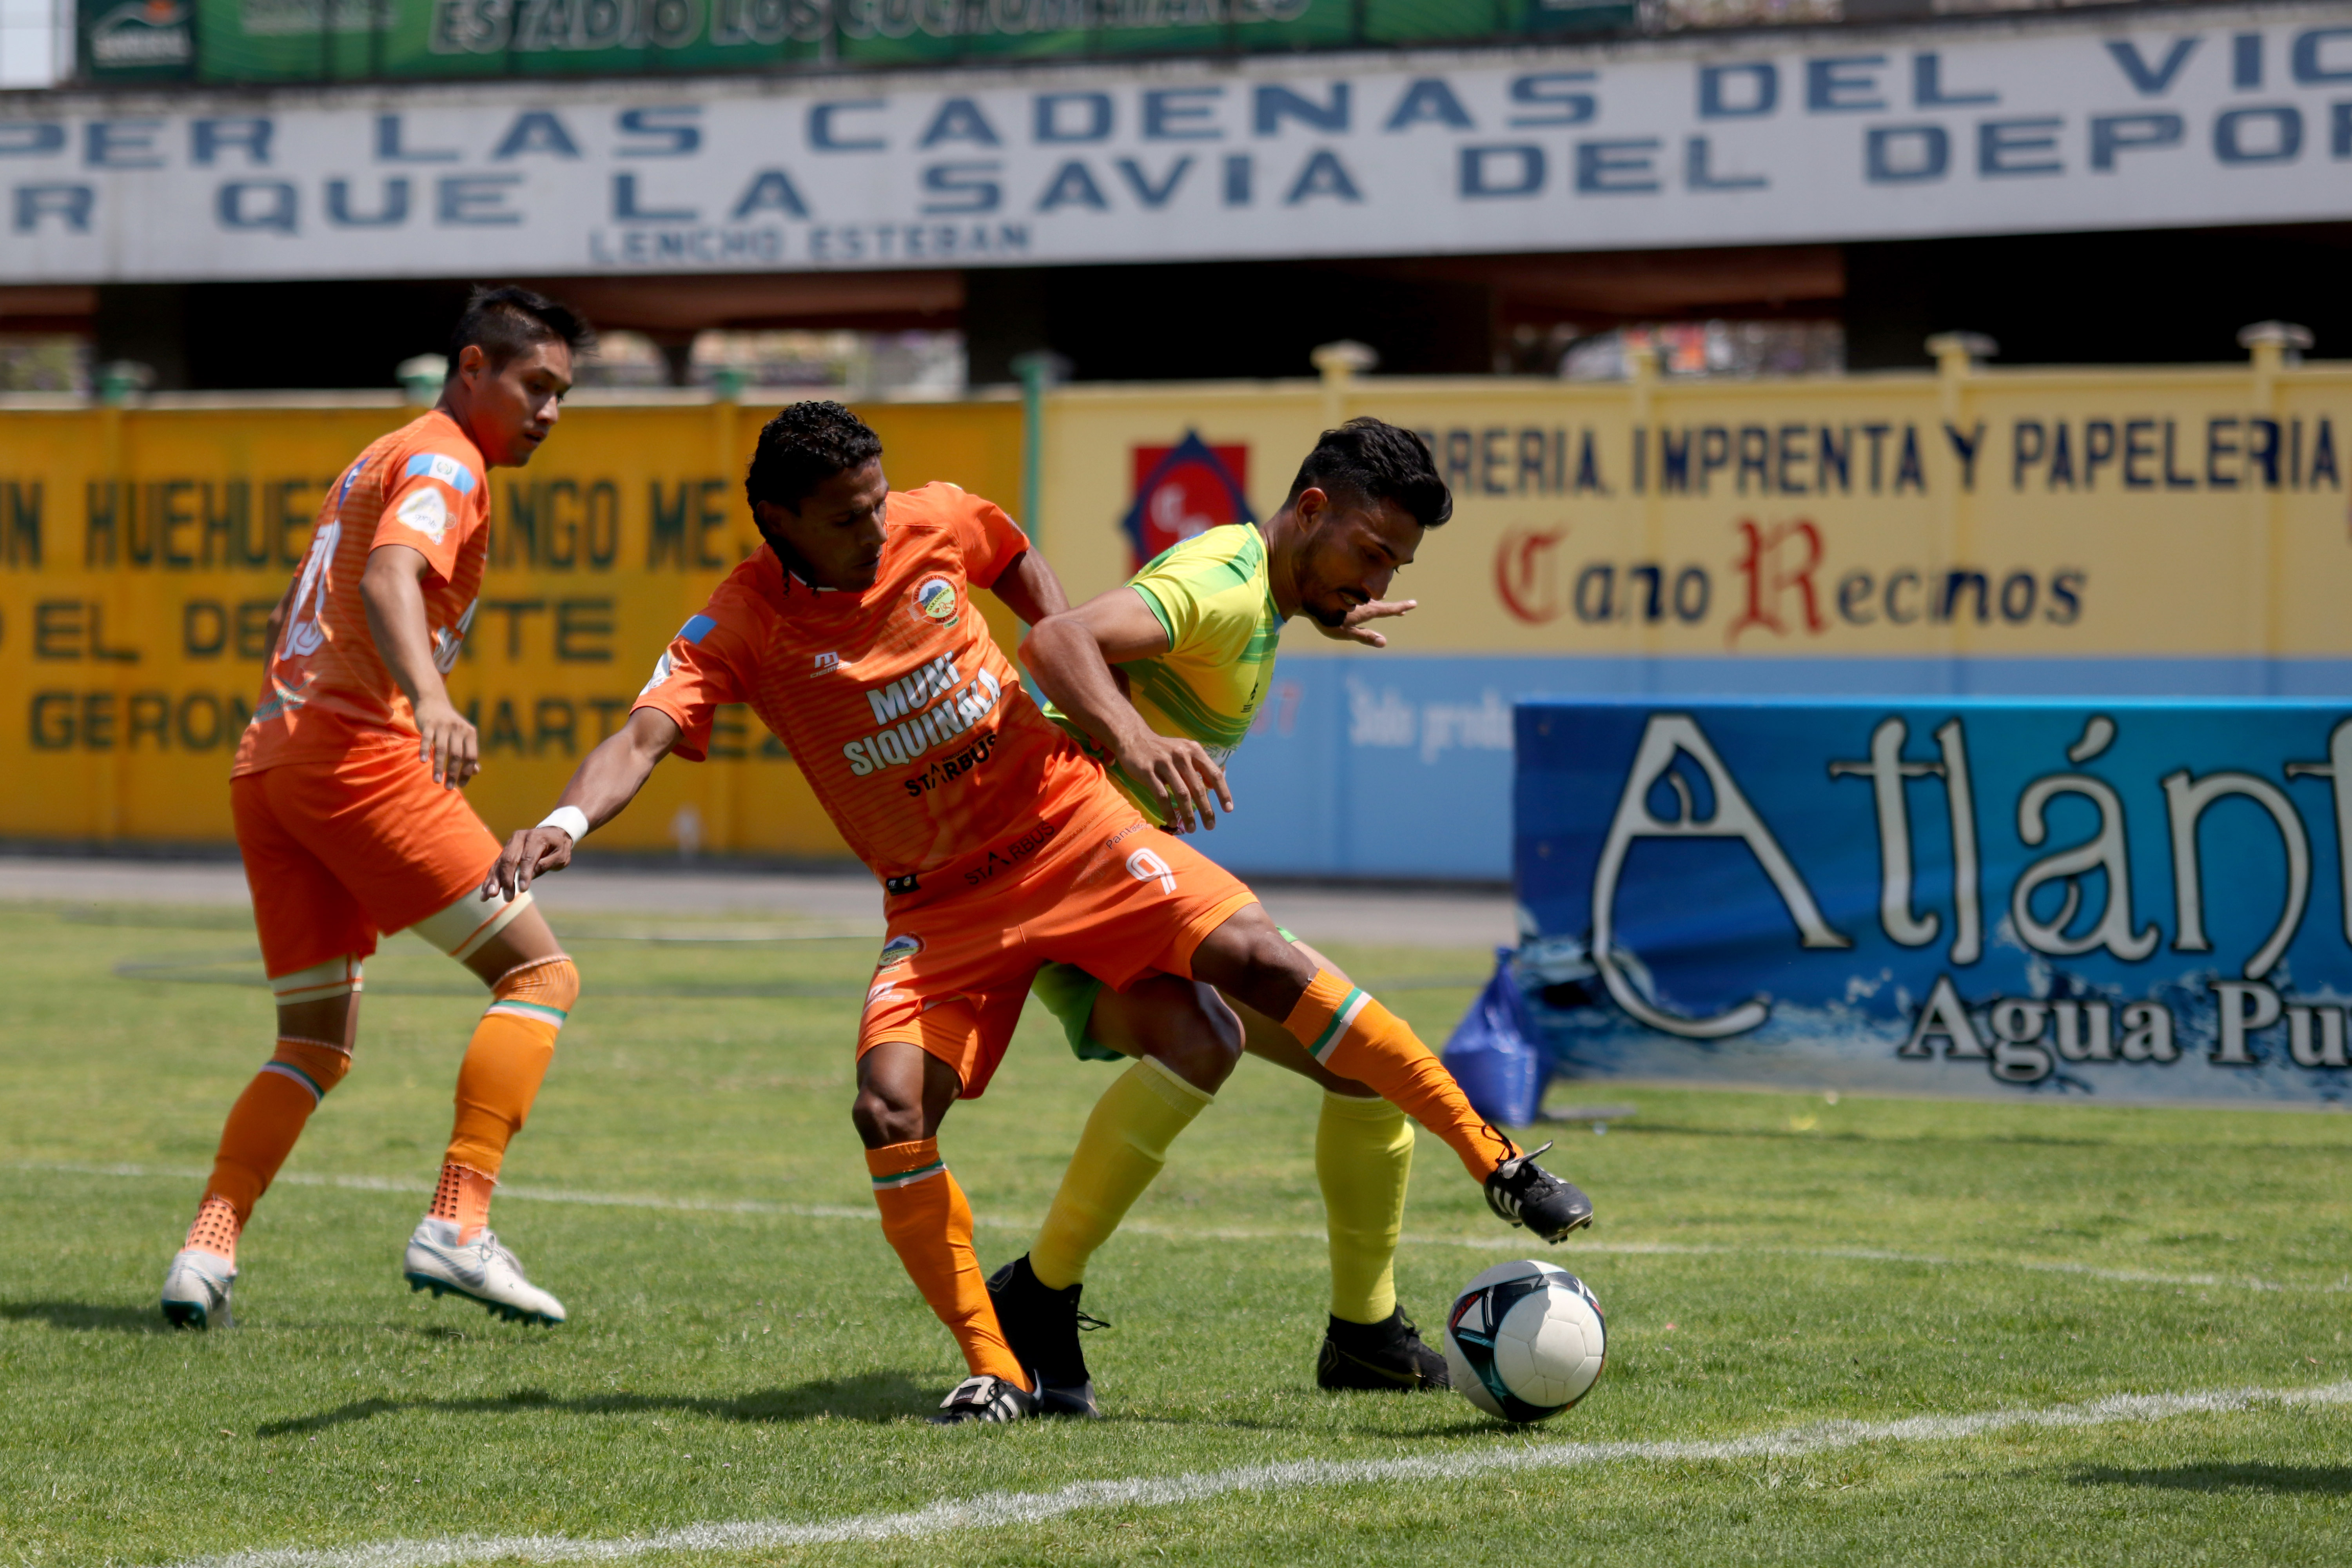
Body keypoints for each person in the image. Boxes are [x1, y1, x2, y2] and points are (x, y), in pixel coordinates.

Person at [485, 401, 1591, 1423]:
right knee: (899, 1105)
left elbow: (1017, 568)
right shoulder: (742, 624)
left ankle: (1430, 1234)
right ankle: (1016, 1341)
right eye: (846, 517)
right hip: (948, 902)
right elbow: (639, 738)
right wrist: (565, 827)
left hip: (1073, 837)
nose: (878, 529)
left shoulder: (941, 520)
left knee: (1263, 1015)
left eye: (881, 502)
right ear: (779, 521)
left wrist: (1092, 697)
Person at [1019, 416, 1529, 1394]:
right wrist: (1129, 739)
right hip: (1059, 871)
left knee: (1354, 1066)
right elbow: (1056, 638)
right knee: (1291, 1033)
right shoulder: (1220, 581)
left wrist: (1315, 605)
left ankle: (1364, 1334)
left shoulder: (1262, 594)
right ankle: (1037, 1296)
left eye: (1395, 566)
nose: (1379, 584)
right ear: (1309, 509)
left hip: (1111, 883)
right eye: (1370, 553)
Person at [160, 286, 592, 1332]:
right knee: (539, 973)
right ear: (475, 366)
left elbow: (299, 602)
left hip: (272, 760)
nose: (549, 411)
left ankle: (205, 1251)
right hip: (357, 753)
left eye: (564, 394)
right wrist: (432, 701)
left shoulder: (380, 453)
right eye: (536, 386)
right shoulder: (446, 460)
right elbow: (393, 574)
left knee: (313, 1039)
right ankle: (458, 1221)